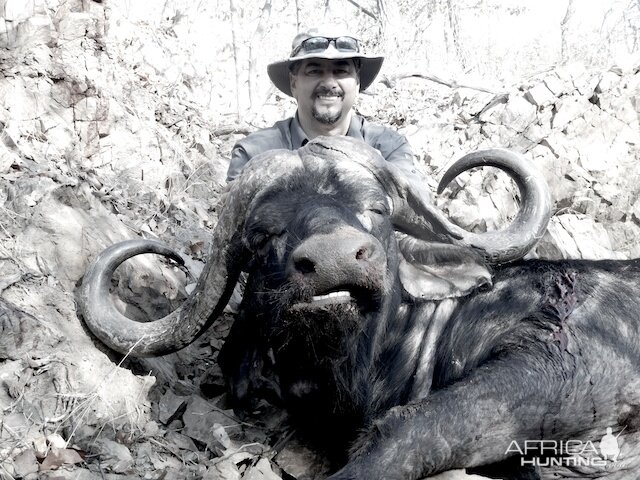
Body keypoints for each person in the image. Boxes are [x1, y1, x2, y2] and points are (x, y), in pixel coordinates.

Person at [226, 24, 421, 182]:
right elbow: (236, 224)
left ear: (357, 81)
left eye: (341, 71)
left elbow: (415, 211)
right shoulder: (254, 153)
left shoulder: (389, 149)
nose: (329, 83)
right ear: (294, 83)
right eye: (314, 71)